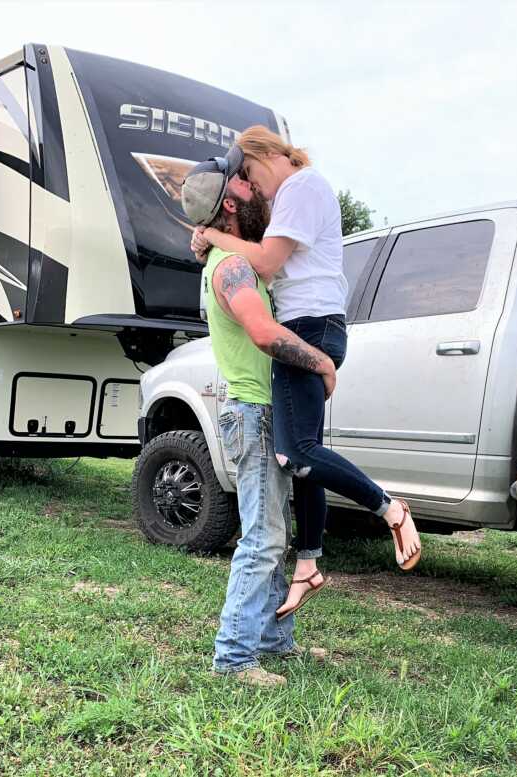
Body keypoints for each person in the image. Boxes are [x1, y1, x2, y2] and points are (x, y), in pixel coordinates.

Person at [191, 128, 421, 620]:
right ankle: (309, 563)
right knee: (304, 456)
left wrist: (212, 236)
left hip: (308, 326)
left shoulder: (301, 186)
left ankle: (390, 509)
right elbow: (266, 258)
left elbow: (269, 263)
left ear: (266, 155)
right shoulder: (296, 196)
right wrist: (212, 237)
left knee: (297, 451)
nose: (257, 188)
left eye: (250, 173)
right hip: (316, 324)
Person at [181, 148, 334, 686]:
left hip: (261, 410)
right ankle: (234, 657)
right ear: (229, 201)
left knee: (274, 530)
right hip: (252, 412)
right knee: (263, 538)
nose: (257, 188)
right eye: (245, 183)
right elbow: (265, 334)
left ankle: (272, 639)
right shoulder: (233, 267)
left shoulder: (231, 255)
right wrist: (321, 363)